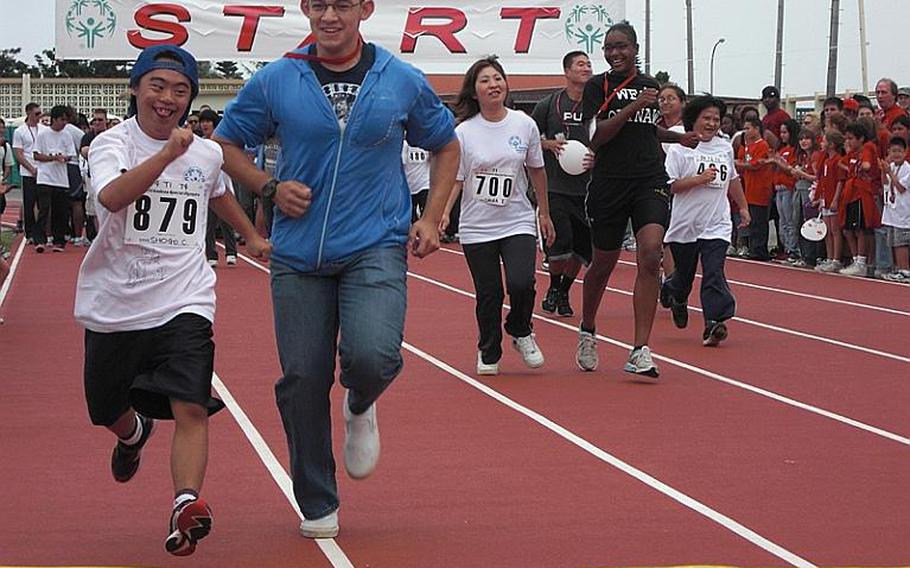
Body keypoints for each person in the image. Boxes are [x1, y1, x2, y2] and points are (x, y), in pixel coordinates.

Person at [212, 0, 460, 539]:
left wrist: (433, 216)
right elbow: (226, 145)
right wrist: (268, 187)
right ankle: (318, 498)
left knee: (372, 354)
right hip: (298, 254)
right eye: (319, 3)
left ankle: (361, 400)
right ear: (305, 8)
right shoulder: (278, 79)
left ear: (364, 9)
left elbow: (445, 145)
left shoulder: (400, 79)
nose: (330, 15)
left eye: (342, 4)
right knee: (303, 377)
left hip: (376, 242)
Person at [74, 45, 271, 556]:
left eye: (180, 91)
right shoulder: (110, 144)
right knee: (103, 408)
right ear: (136, 89)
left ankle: (185, 503)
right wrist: (166, 154)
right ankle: (132, 433)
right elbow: (112, 198)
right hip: (116, 302)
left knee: (192, 406)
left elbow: (220, 194)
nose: (167, 99)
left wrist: (251, 236)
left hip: (186, 297)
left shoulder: (205, 153)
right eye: (157, 86)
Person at [576, 21, 698, 377]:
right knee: (603, 264)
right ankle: (587, 329)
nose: (615, 53)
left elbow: (647, 128)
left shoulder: (650, 86)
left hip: (649, 180)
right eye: (609, 47)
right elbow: (596, 137)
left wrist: (678, 138)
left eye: (621, 47)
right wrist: (631, 108)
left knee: (650, 253)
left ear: (635, 48)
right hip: (609, 184)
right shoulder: (597, 86)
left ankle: (640, 349)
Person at [445, 57, 555, 375]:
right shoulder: (464, 132)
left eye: (497, 78)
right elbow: (457, 178)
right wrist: (440, 214)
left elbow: (536, 169)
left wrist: (544, 213)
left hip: (516, 218)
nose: (493, 84)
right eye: (485, 80)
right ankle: (488, 349)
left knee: (522, 282)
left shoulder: (524, 124)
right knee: (489, 292)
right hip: (477, 224)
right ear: (474, 91)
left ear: (505, 85)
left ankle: (520, 329)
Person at [660, 95, 750, 346]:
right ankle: (674, 293)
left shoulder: (723, 147)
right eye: (706, 118)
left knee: (714, 271)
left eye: (716, 119)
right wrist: (698, 180)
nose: (711, 124)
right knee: (684, 277)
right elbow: (670, 186)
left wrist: (742, 206)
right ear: (694, 120)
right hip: (685, 225)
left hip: (717, 223)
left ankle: (714, 321)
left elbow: (732, 178)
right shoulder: (680, 148)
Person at [531, 50, 592, 317]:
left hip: (588, 189)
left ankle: (564, 289)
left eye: (589, 64)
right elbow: (529, 139)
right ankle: (554, 285)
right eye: (580, 64)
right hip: (555, 186)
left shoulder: (596, 105)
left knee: (581, 249)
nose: (586, 68)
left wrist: (597, 157)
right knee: (561, 242)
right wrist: (548, 144)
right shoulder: (548, 105)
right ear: (567, 71)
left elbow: (608, 137)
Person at [837, 122, 881, 276]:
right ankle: (857, 259)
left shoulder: (867, 148)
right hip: (851, 193)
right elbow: (841, 163)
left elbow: (868, 165)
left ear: (861, 138)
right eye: (846, 139)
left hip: (862, 193)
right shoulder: (853, 153)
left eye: (851, 139)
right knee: (848, 230)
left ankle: (862, 261)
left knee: (861, 228)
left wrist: (861, 166)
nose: (848, 142)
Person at [198, 109, 238, 266]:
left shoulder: (223, 142)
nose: (204, 125)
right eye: (203, 122)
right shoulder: (199, 143)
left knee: (226, 220)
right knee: (208, 223)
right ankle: (211, 254)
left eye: (208, 121)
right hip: (207, 187)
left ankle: (231, 252)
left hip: (224, 183)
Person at [33, 105, 75, 252]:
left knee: (60, 210)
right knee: (44, 209)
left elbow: (71, 155)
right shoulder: (43, 134)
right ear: (54, 119)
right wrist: (52, 158)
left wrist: (64, 157)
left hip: (61, 179)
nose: (64, 123)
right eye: (61, 119)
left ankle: (59, 240)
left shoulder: (67, 135)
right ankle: (40, 239)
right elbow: (36, 155)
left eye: (66, 120)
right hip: (45, 177)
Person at [735, 117, 774, 261]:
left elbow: (755, 165)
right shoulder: (746, 146)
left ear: (756, 129)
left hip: (760, 188)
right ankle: (753, 248)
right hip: (749, 188)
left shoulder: (762, 145)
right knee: (752, 220)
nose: (745, 131)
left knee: (759, 221)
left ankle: (760, 250)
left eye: (748, 128)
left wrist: (740, 164)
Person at [12, 102, 43, 245]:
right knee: (29, 204)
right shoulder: (20, 131)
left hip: (43, 172)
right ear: (29, 113)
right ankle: (29, 232)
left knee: (43, 204)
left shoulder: (43, 129)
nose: (39, 116)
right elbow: (18, 154)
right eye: (36, 114)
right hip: (28, 172)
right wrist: (31, 168)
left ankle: (41, 231)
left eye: (40, 113)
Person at [880, 137, 910, 282]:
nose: (896, 154)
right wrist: (883, 171)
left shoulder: (907, 169)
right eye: (893, 151)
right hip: (892, 210)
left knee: (901, 243)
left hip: (903, 212)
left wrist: (890, 173)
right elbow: (885, 184)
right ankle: (897, 268)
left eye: (899, 151)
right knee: (892, 241)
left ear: (905, 152)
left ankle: (905, 270)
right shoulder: (891, 166)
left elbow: (901, 188)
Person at [402, 142, 430, 223]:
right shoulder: (405, 145)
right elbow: (403, 165)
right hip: (410, 186)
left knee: (426, 214)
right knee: (412, 217)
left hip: (424, 184)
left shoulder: (427, 144)